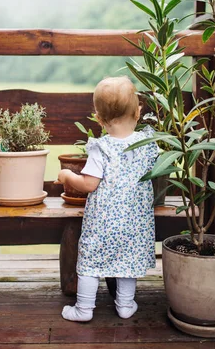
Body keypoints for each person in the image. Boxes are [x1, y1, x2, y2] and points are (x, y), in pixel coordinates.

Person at [57, 76, 158, 322]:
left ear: (99, 119)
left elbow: (89, 184)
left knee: (90, 262)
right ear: (137, 112)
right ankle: (125, 305)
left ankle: (84, 309)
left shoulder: (101, 148)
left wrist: (68, 176)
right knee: (127, 261)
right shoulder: (148, 145)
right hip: (135, 222)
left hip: (103, 223)